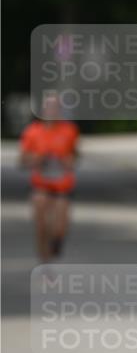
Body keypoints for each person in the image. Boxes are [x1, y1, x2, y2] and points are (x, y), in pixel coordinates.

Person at [19, 94, 79, 262]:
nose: (52, 110)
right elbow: (22, 160)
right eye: (49, 106)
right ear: (42, 109)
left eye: (55, 107)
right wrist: (38, 159)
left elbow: (75, 157)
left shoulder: (69, 131)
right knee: (41, 226)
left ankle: (55, 245)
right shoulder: (32, 132)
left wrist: (67, 161)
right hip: (41, 185)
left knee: (58, 229)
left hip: (62, 187)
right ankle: (43, 262)